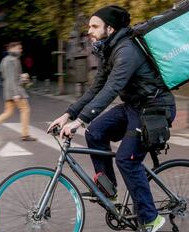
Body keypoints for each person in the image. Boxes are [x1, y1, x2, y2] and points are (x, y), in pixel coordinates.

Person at [47, 5, 176, 232]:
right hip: (134, 106)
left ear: (110, 28)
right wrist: (67, 114)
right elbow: (96, 88)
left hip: (154, 108)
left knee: (127, 159)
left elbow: (111, 89)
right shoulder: (109, 50)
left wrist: (79, 121)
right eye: (89, 26)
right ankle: (110, 191)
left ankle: (151, 219)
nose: (90, 31)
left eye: (94, 26)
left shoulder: (126, 51)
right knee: (95, 132)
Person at [0, 42, 37, 142]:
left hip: (8, 91)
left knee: (7, 112)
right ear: (12, 49)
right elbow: (12, 79)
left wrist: (21, 78)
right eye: (19, 48)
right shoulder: (13, 60)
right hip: (16, 92)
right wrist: (16, 93)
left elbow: (5, 77)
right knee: (25, 109)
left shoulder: (4, 60)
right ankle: (25, 135)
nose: (21, 50)